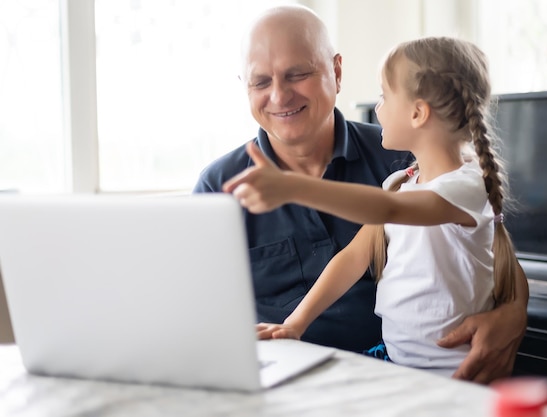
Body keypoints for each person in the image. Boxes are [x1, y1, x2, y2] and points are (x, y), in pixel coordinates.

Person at [193, 5, 528, 383]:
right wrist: (293, 324)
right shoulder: (218, 186)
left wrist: (514, 313)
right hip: (285, 380)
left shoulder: (407, 158)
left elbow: (493, 251)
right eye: (260, 82)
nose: (279, 96)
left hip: (400, 369)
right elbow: (198, 315)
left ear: (336, 72)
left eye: (297, 74)